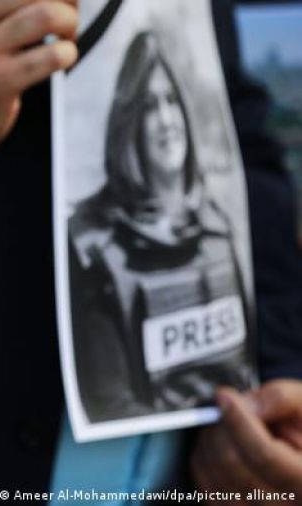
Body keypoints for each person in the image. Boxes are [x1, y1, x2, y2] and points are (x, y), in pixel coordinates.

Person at [0, 0, 302, 502]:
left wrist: (282, 377)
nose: (164, 122)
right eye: (149, 107)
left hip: (184, 457)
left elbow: (237, 137)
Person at [68, 31, 253, 422]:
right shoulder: (96, 249)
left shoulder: (219, 231)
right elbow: (109, 402)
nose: (167, 121)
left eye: (171, 101)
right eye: (150, 106)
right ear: (128, 122)